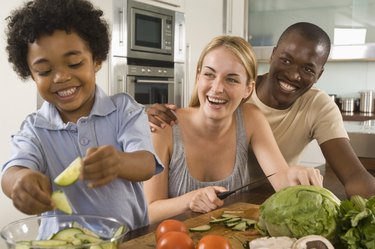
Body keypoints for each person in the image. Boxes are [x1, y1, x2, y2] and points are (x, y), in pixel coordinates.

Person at [147, 22, 375, 199]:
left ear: (248, 88)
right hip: (216, 210)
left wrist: (296, 175)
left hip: (265, 203)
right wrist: (141, 117)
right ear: (273, 55)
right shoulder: (219, 102)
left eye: (307, 68)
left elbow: (349, 174)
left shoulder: (255, 115)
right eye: (286, 60)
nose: (293, 75)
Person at [1, 0, 163, 230]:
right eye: (45, 71)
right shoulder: (35, 128)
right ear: (31, 74)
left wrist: (118, 162)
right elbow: (12, 171)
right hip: (60, 244)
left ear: (96, 61)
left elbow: (146, 163)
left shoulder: (123, 110)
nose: (60, 77)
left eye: (75, 63)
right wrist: (19, 182)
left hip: (126, 240)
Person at [144, 35, 323, 224]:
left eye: (231, 79)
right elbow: (149, 211)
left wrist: (295, 175)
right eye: (209, 74)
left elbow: (281, 181)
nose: (217, 88)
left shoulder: (251, 118)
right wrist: (189, 201)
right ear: (198, 76)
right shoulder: (164, 126)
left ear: (248, 88)